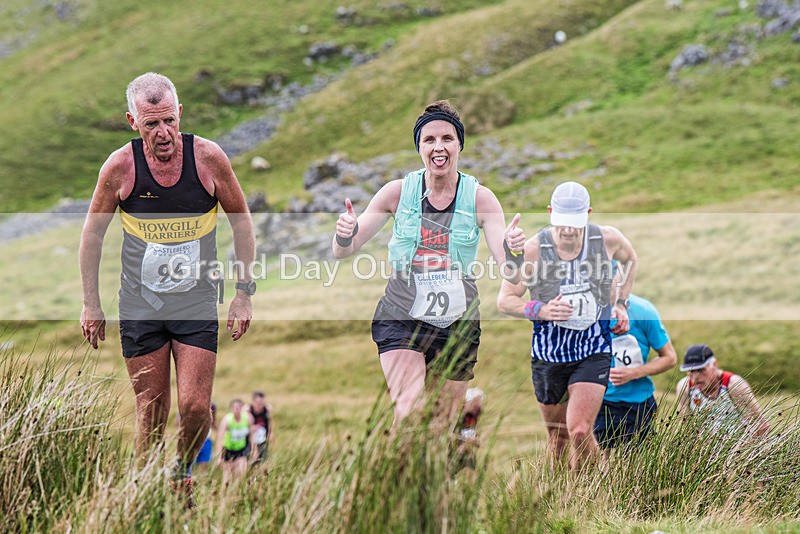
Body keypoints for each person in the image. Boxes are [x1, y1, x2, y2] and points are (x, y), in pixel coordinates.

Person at [79, 73, 256, 497]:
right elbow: (92, 235)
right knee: (151, 411)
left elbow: (242, 222)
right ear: (132, 122)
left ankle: (179, 473)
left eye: (168, 122)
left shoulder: (209, 159)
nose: (162, 134)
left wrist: (244, 293)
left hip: (195, 301)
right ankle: (144, 493)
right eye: (150, 125)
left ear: (180, 113)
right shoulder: (120, 168)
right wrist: (91, 303)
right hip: (140, 305)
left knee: (195, 408)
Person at [332, 100, 525, 431]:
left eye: (447, 139)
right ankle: (395, 481)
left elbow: (513, 275)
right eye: (429, 140)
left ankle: (429, 482)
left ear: (459, 145)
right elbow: (343, 251)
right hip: (402, 312)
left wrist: (516, 252)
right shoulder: (396, 193)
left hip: (458, 320)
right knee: (410, 413)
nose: (439, 147)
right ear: (419, 147)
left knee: (439, 427)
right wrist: (345, 233)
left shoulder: (481, 199)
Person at [497, 181, 638, 471]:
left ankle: (593, 496)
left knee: (579, 430)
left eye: (575, 223)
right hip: (549, 356)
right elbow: (506, 301)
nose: (569, 231)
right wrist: (542, 310)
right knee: (558, 437)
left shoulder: (607, 239)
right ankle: (561, 501)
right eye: (562, 223)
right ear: (550, 213)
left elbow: (630, 260)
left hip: (592, 349)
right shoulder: (534, 250)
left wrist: (621, 303)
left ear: (588, 213)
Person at [594, 294, 677, 449]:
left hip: (637, 403)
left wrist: (634, 373)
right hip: (597, 400)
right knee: (596, 464)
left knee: (637, 467)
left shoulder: (644, 311)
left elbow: (669, 357)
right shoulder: (586, 309)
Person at [676, 344, 769, 436]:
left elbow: (761, 426)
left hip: (739, 446)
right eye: (691, 371)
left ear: (714, 364)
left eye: (701, 370)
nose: (695, 377)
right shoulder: (685, 387)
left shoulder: (734, 385)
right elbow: (681, 426)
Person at [217, 399, 256, 483]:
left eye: (239, 408)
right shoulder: (226, 420)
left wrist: (254, 450)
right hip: (228, 450)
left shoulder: (248, 418)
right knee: (227, 478)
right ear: (231, 409)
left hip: (241, 449)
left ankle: (238, 492)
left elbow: (252, 435)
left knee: (241, 474)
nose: (237, 410)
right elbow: (220, 438)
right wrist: (219, 457)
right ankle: (225, 494)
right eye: (235, 408)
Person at [451, 387, 484, 474]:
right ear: (465, 403)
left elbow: (471, 433)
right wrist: (463, 439)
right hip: (454, 453)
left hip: (466, 454)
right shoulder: (456, 416)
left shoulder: (472, 417)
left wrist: (476, 440)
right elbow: (448, 434)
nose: (477, 410)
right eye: (474, 405)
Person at [245, 391, 272, 465]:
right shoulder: (248, 410)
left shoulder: (267, 410)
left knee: (264, 460)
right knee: (251, 459)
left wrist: (270, 434)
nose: (259, 405)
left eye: (261, 403)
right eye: (258, 402)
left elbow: (269, 422)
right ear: (253, 401)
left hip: (262, 439)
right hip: (250, 439)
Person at [194, 402, 217, 470]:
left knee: (203, 466)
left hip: (206, 442)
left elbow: (216, 428)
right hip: (195, 441)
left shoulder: (212, 421)